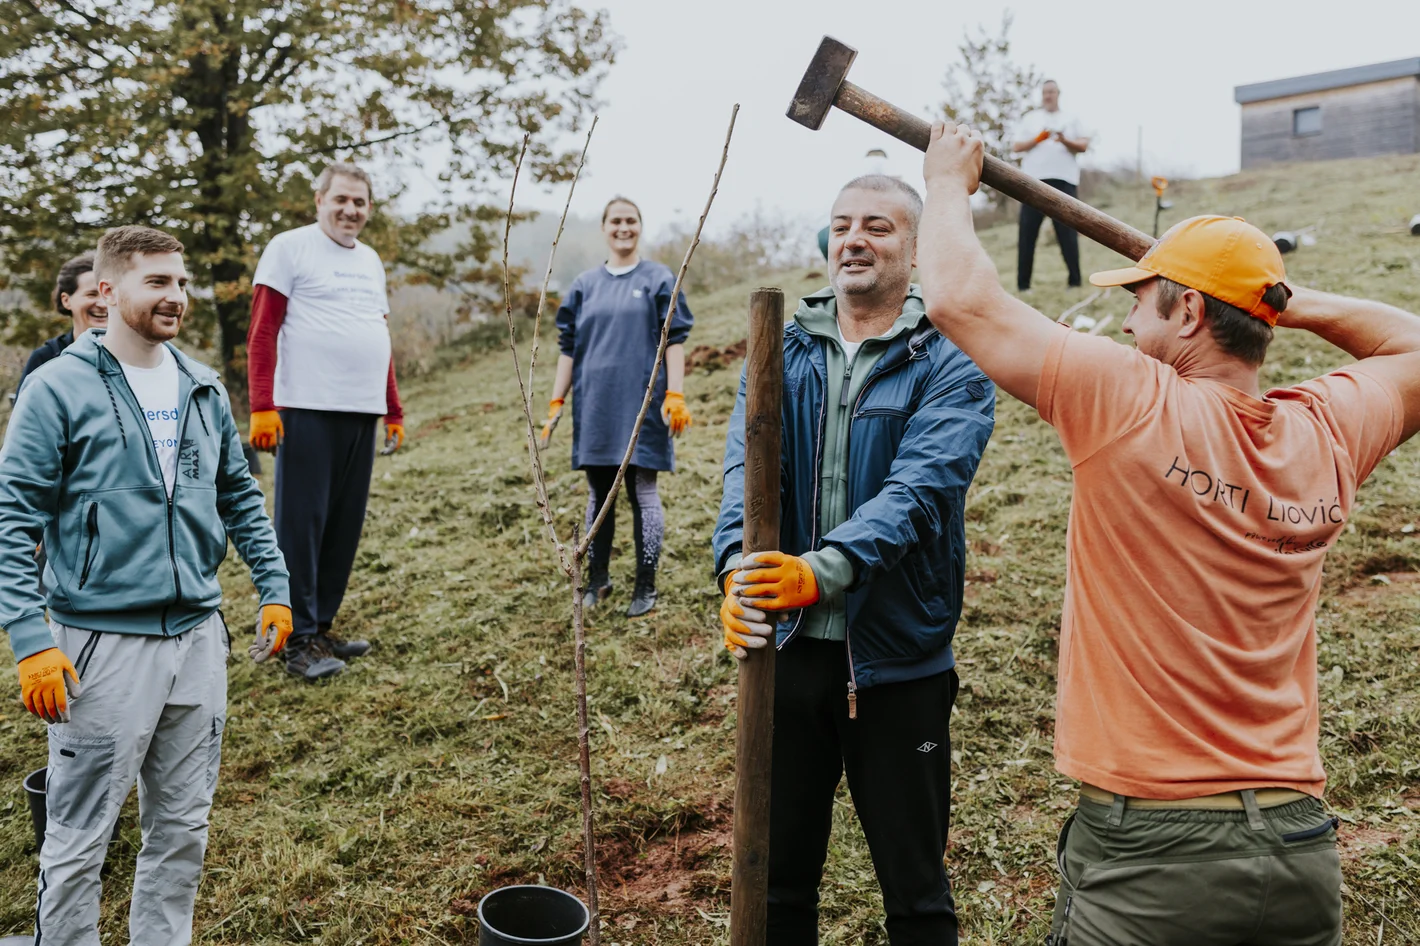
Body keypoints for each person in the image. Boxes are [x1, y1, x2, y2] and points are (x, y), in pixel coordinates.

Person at [918, 121, 1420, 945]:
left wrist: (946, 182)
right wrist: (1288, 300)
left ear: (1187, 311)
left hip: (1152, 857)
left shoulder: (1131, 397)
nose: (1125, 328)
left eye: (1140, 305)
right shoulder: (1326, 429)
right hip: (1297, 848)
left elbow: (958, 300)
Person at [713, 174, 996, 944]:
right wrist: (738, 564)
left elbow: (921, 492)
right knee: (776, 890)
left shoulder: (949, 358)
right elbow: (746, 472)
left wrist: (822, 569)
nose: (855, 240)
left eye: (878, 226)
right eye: (842, 226)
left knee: (916, 896)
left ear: (913, 249)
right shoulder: (784, 349)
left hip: (898, 663)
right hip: (789, 655)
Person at [0, 225, 293, 946]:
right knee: (78, 839)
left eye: (182, 283)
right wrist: (30, 638)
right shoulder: (57, 387)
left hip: (197, 639)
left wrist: (276, 584)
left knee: (182, 830)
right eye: (158, 282)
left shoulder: (199, 385)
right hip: (98, 645)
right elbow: (11, 518)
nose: (177, 297)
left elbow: (239, 496)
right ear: (107, 291)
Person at [246, 161, 404, 680]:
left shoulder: (371, 260)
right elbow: (263, 331)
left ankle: (321, 626)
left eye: (360, 202)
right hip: (305, 407)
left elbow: (376, 336)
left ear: (369, 209)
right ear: (319, 200)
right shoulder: (289, 248)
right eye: (341, 199)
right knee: (301, 525)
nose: (350, 210)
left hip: (361, 410)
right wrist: (262, 405)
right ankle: (295, 642)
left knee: (343, 525)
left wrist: (394, 409)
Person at [542, 196, 694, 618]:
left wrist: (675, 394)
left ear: (640, 226)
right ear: (604, 227)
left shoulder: (660, 278)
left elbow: (674, 341)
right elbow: (568, 349)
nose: (623, 227)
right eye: (615, 221)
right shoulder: (583, 285)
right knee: (598, 493)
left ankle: (645, 586)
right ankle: (597, 579)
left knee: (643, 490)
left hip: (643, 403)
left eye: (630, 220)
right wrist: (557, 400)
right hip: (595, 406)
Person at [1011, 80, 1091, 291]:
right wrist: (1038, 139)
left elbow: (1083, 145)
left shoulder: (1071, 118)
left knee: (1068, 235)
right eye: (1045, 92)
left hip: (1064, 181)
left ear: (1058, 94)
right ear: (1041, 95)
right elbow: (1017, 146)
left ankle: (1075, 282)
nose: (1048, 96)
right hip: (1032, 183)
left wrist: (1065, 141)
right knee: (1027, 235)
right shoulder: (1031, 118)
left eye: (1052, 92)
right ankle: (1023, 286)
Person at [16, 251, 109, 393]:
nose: (102, 304)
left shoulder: (137, 355)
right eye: (91, 294)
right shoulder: (45, 359)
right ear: (66, 300)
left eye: (108, 294)